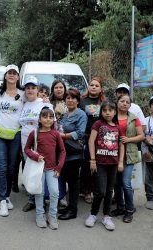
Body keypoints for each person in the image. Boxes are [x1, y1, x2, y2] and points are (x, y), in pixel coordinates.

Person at [85, 101, 124, 231]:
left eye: (110, 110)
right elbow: (91, 141)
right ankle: (93, 214)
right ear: (101, 112)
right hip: (100, 163)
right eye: (105, 110)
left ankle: (106, 216)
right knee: (100, 191)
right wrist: (92, 160)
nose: (108, 113)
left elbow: (121, 145)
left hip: (113, 164)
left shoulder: (118, 127)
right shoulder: (98, 124)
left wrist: (120, 162)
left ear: (115, 112)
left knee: (109, 191)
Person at [24, 107, 66, 229]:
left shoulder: (56, 134)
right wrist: (35, 156)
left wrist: (59, 167)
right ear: (40, 119)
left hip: (52, 169)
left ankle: (52, 215)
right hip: (38, 169)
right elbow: (26, 149)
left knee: (54, 192)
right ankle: (39, 214)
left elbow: (63, 151)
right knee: (40, 192)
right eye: (45, 117)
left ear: (54, 119)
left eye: (50, 117)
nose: (48, 119)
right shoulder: (34, 133)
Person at [0, 64, 24, 217]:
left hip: (16, 135)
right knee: (2, 167)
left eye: (14, 73)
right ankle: (2, 200)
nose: (11, 75)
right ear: (5, 76)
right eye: (9, 73)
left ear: (18, 77)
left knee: (12, 168)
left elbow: (37, 99)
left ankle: (7, 195)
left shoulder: (23, 93)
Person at [19, 76, 53, 212]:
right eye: (27, 88)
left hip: (39, 144)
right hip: (25, 144)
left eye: (33, 88)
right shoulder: (25, 104)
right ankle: (32, 200)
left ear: (38, 90)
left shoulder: (44, 104)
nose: (30, 90)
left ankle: (40, 201)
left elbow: (52, 123)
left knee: (39, 173)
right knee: (30, 172)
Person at [111, 94, 144, 223]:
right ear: (117, 102)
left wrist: (128, 139)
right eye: (122, 101)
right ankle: (120, 207)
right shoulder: (112, 116)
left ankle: (129, 209)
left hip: (128, 155)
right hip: (113, 154)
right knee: (116, 183)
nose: (124, 103)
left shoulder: (134, 118)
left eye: (127, 102)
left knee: (126, 183)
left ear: (130, 105)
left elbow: (141, 136)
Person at [57, 88, 87, 220]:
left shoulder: (81, 114)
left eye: (73, 98)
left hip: (74, 154)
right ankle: (69, 206)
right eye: (68, 98)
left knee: (74, 182)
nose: (70, 100)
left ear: (77, 100)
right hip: (64, 152)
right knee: (66, 180)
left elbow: (80, 133)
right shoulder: (63, 114)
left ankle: (73, 210)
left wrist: (63, 136)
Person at [79, 76, 107, 203]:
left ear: (101, 89)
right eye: (92, 85)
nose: (94, 87)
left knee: (99, 164)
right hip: (85, 137)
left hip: (100, 137)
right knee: (86, 164)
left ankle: (97, 189)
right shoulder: (82, 100)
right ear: (88, 87)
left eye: (97, 85)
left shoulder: (104, 102)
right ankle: (86, 191)